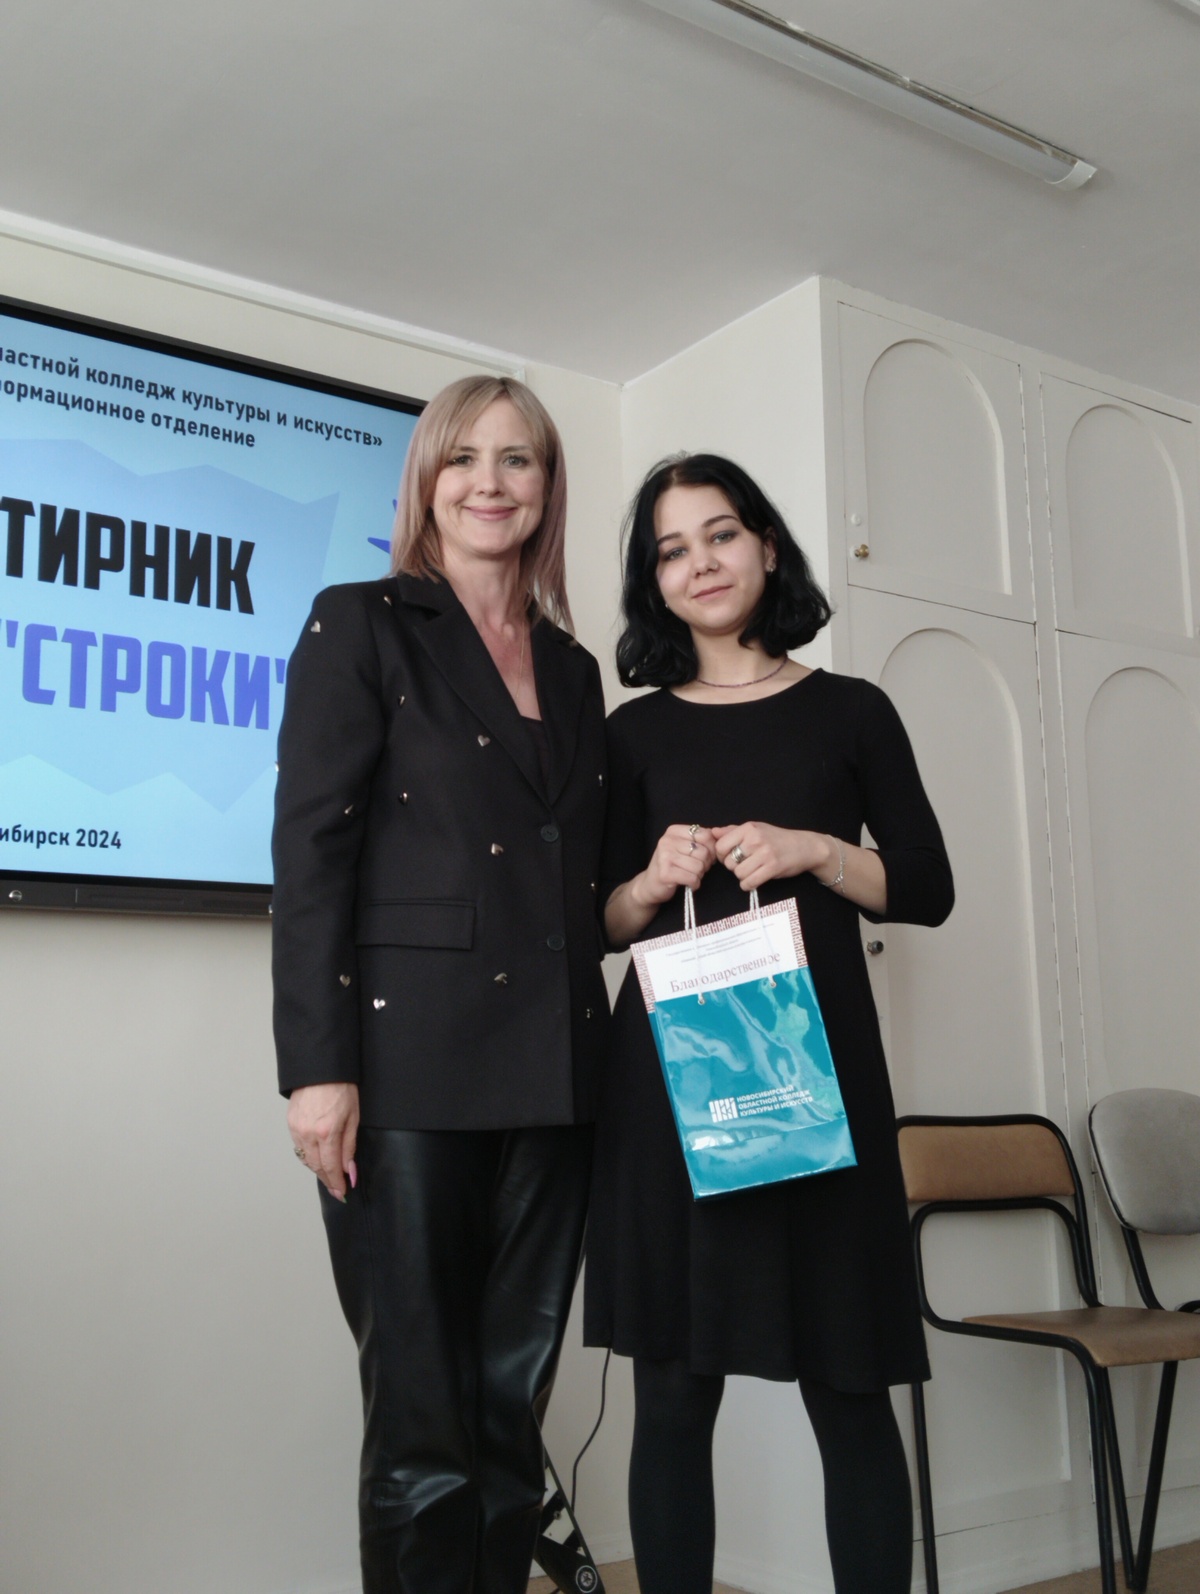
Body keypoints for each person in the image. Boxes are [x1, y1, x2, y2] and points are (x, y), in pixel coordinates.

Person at [583, 453, 954, 1594]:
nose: (700, 563)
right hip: (670, 1087)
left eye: (721, 534)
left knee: (850, 1386)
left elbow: (927, 886)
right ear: (653, 581)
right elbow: (600, 921)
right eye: (671, 549)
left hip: (816, 1081)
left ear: (767, 547)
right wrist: (652, 879)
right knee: (670, 1394)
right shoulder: (631, 734)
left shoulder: (853, 709)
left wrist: (816, 851)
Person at [271, 375, 610, 1594]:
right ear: (425, 479)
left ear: (546, 488)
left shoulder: (574, 668)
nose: (488, 482)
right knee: (423, 1427)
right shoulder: (360, 622)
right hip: (407, 1069)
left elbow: (578, 874)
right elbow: (311, 854)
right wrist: (318, 1070)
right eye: (463, 457)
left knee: (510, 1416)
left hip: (556, 1075)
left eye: (517, 459)